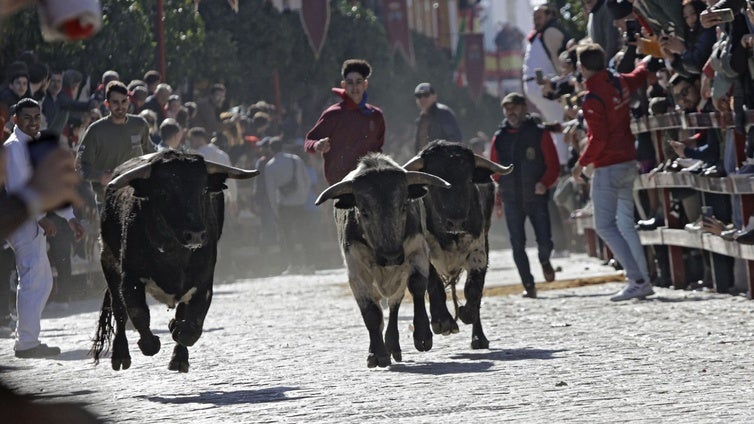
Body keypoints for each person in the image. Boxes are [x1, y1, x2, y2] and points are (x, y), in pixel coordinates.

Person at [572, 43, 654, 301]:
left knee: (605, 226)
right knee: (625, 224)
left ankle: (637, 279)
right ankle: (642, 279)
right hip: (629, 161)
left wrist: (581, 163)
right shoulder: (618, 81)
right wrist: (647, 58)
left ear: (582, 67)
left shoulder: (592, 96)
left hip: (608, 166)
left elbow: (599, 137)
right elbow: (639, 76)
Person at [3, 99, 85, 358]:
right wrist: (40, 218)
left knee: (41, 280)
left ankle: (27, 338)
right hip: (22, 220)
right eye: (27, 117)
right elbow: (18, 187)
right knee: (33, 280)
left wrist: (69, 217)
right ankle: (26, 343)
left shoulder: (37, 144)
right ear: (15, 120)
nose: (34, 121)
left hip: (31, 219)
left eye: (37, 116)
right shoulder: (14, 147)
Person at [490, 93, 560, 298]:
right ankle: (528, 286)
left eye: (514, 108)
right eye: (507, 109)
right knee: (517, 244)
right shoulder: (499, 138)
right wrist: (497, 201)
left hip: (536, 196)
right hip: (511, 199)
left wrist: (544, 183)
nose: (510, 113)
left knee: (545, 241)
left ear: (524, 108)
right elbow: (494, 173)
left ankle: (545, 260)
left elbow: (553, 165)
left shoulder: (539, 134)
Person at [304, 59, 385, 185]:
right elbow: (309, 141)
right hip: (341, 185)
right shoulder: (333, 114)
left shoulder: (376, 115)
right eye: (350, 83)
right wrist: (317, 145)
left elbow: (378, 150)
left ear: (365, 84)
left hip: (369, 183)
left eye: (358, 82)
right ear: (343, 85)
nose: (354, 87)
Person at [76, 80, 154, 207]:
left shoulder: (139, 124)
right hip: (107, 201)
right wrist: (99, 176)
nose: (120, 106)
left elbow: (151, 155)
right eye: (115, 102)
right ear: (107, 104)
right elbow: (79, 167)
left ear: (128, 101)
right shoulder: (95, 130)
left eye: (124, 101)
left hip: (136, 198)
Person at [264, 136, 312, 274]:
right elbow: (306, 180)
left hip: (284, 205)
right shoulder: (295, 160)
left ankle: (293, 264)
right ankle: (309, 264)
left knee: (287, 236)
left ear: (270, 149)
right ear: (283, 146)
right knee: (304, 233)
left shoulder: (270, 165)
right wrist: (303, 196)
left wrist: (275, 210)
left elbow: (271, 191)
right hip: (300, 203)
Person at [413, 82, 462, 151]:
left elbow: (455, 140)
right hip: (425, 160)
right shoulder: (421, 118)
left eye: (426, 95)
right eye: (419, 96)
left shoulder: (444, 114)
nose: (422, 98)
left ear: (434, 96)